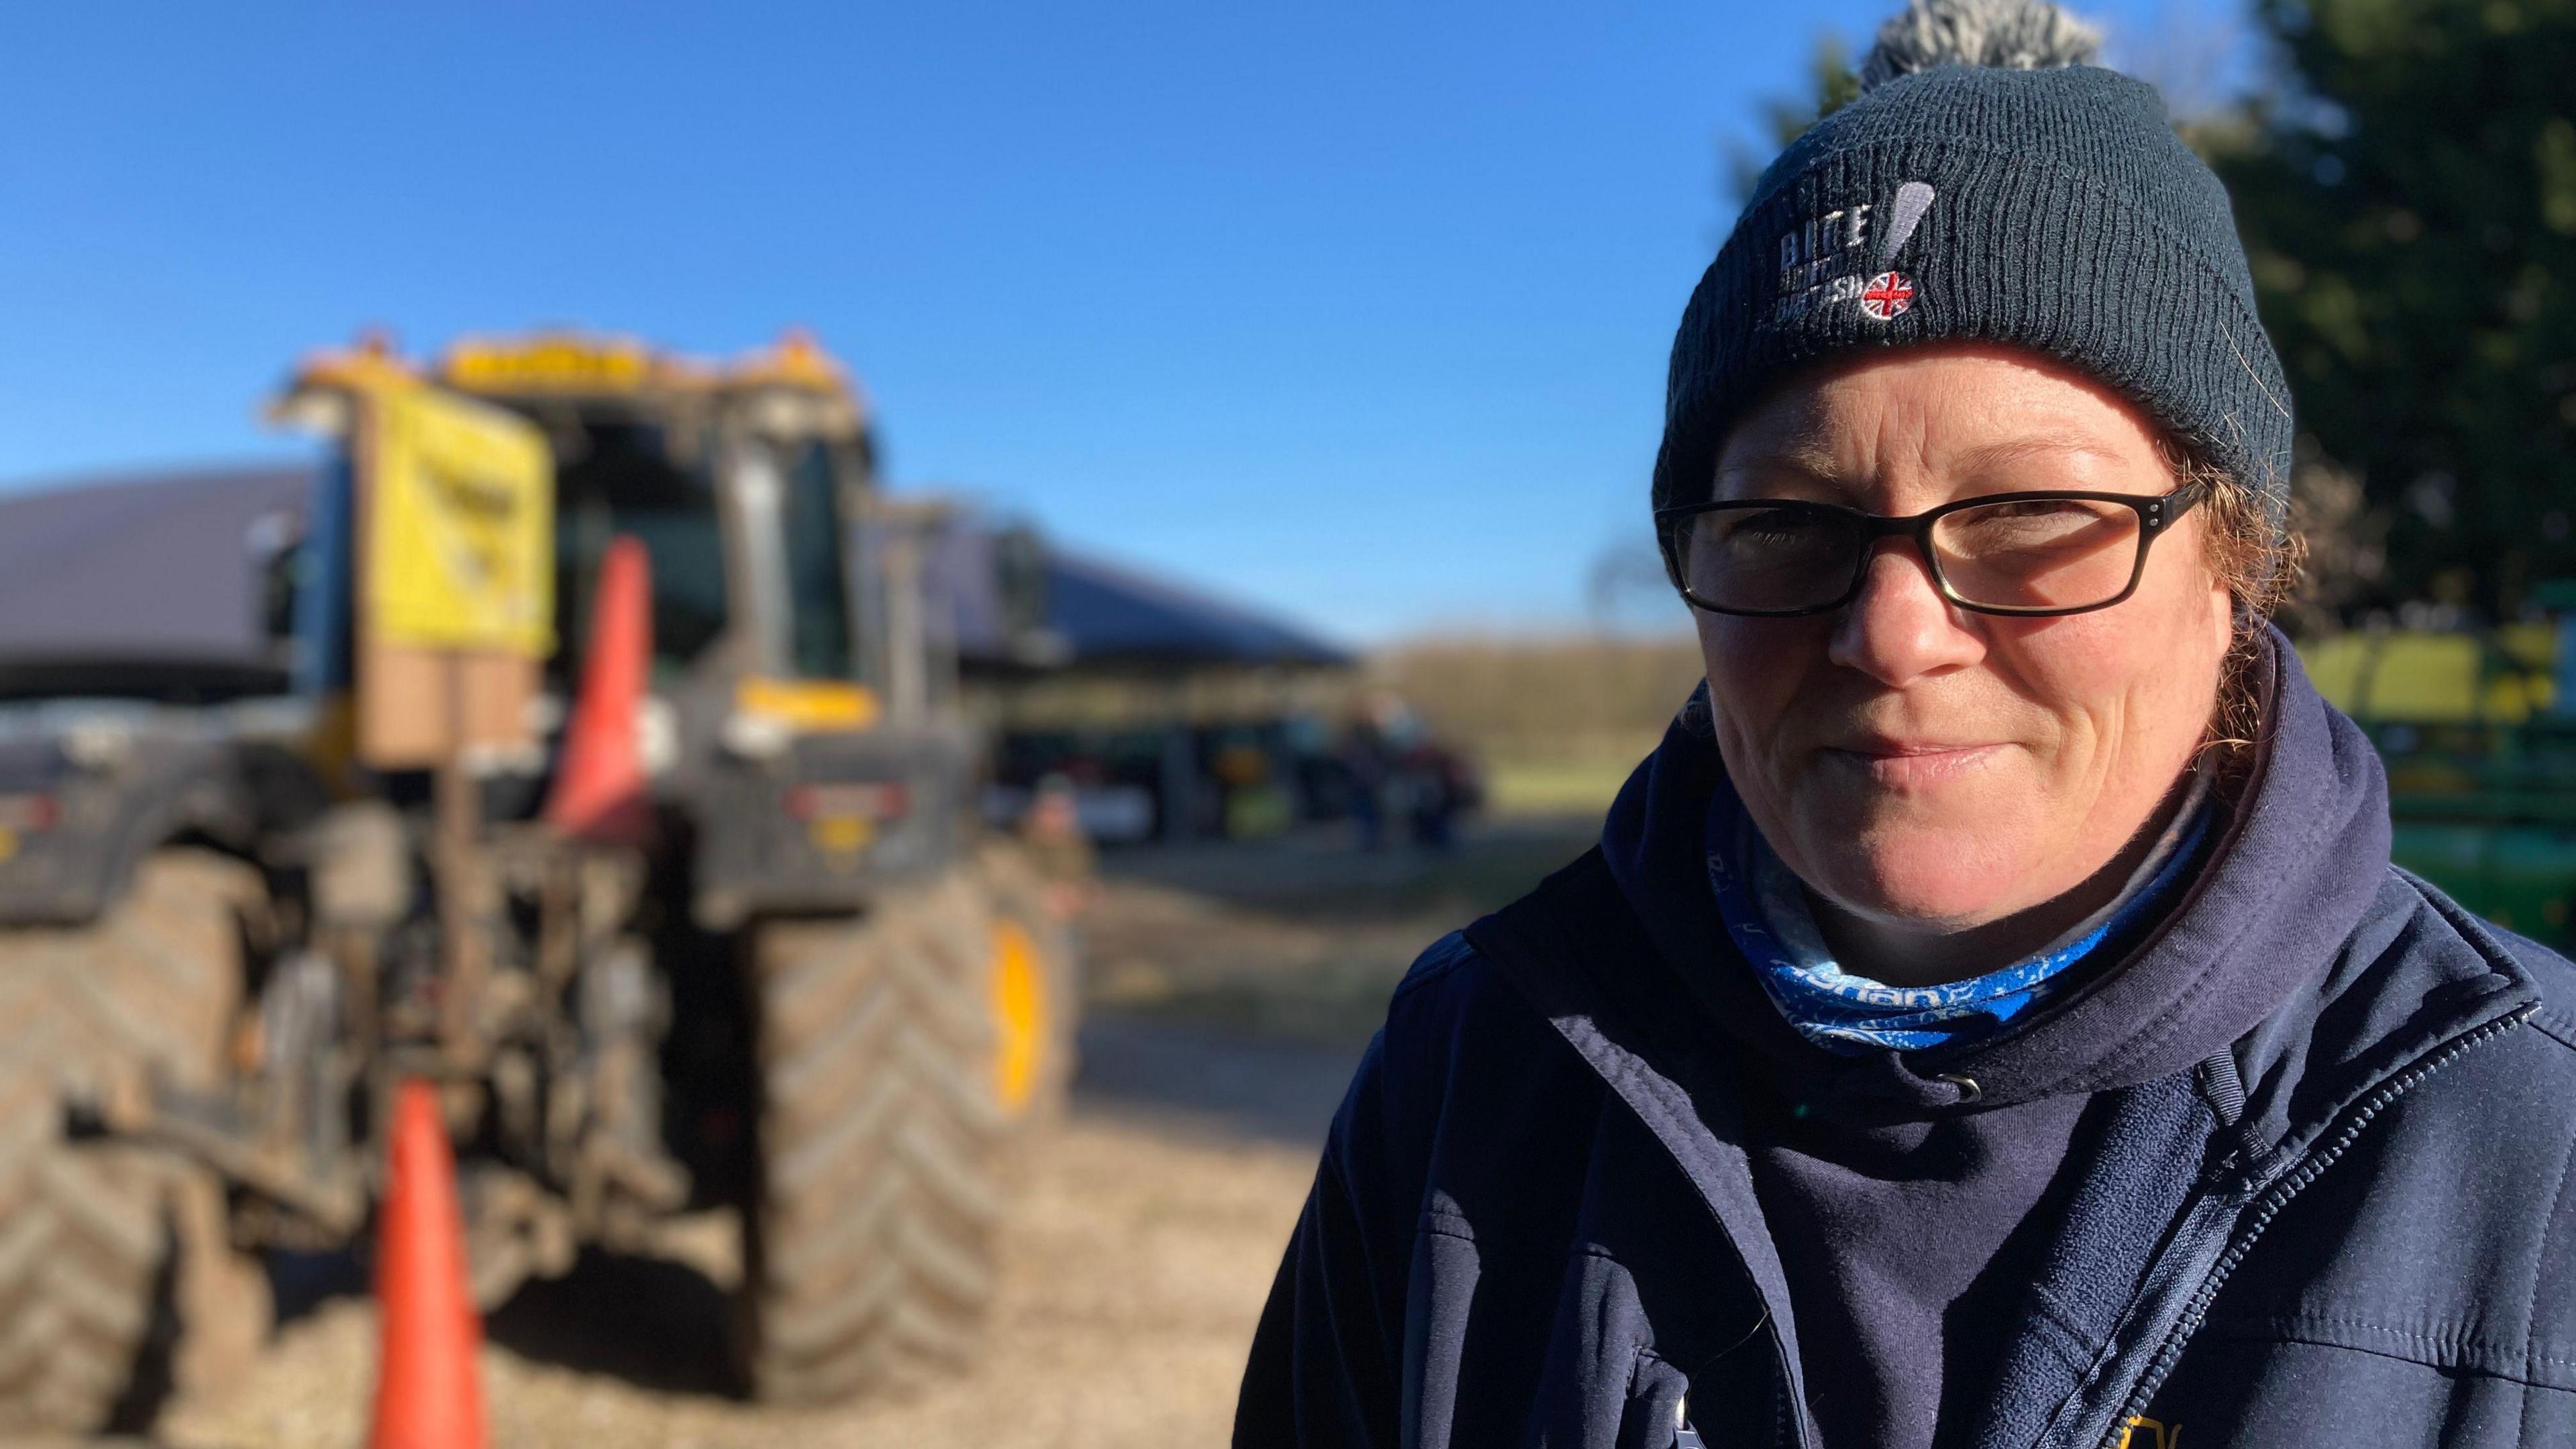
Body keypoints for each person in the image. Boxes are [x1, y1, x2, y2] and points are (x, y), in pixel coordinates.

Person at [1233, 3, 2576, 1445]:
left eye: (2033, 515)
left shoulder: (2529, 1145)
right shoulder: (1477, 1071)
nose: (1890, 632)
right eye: (1784, 524)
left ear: (2234, 562)